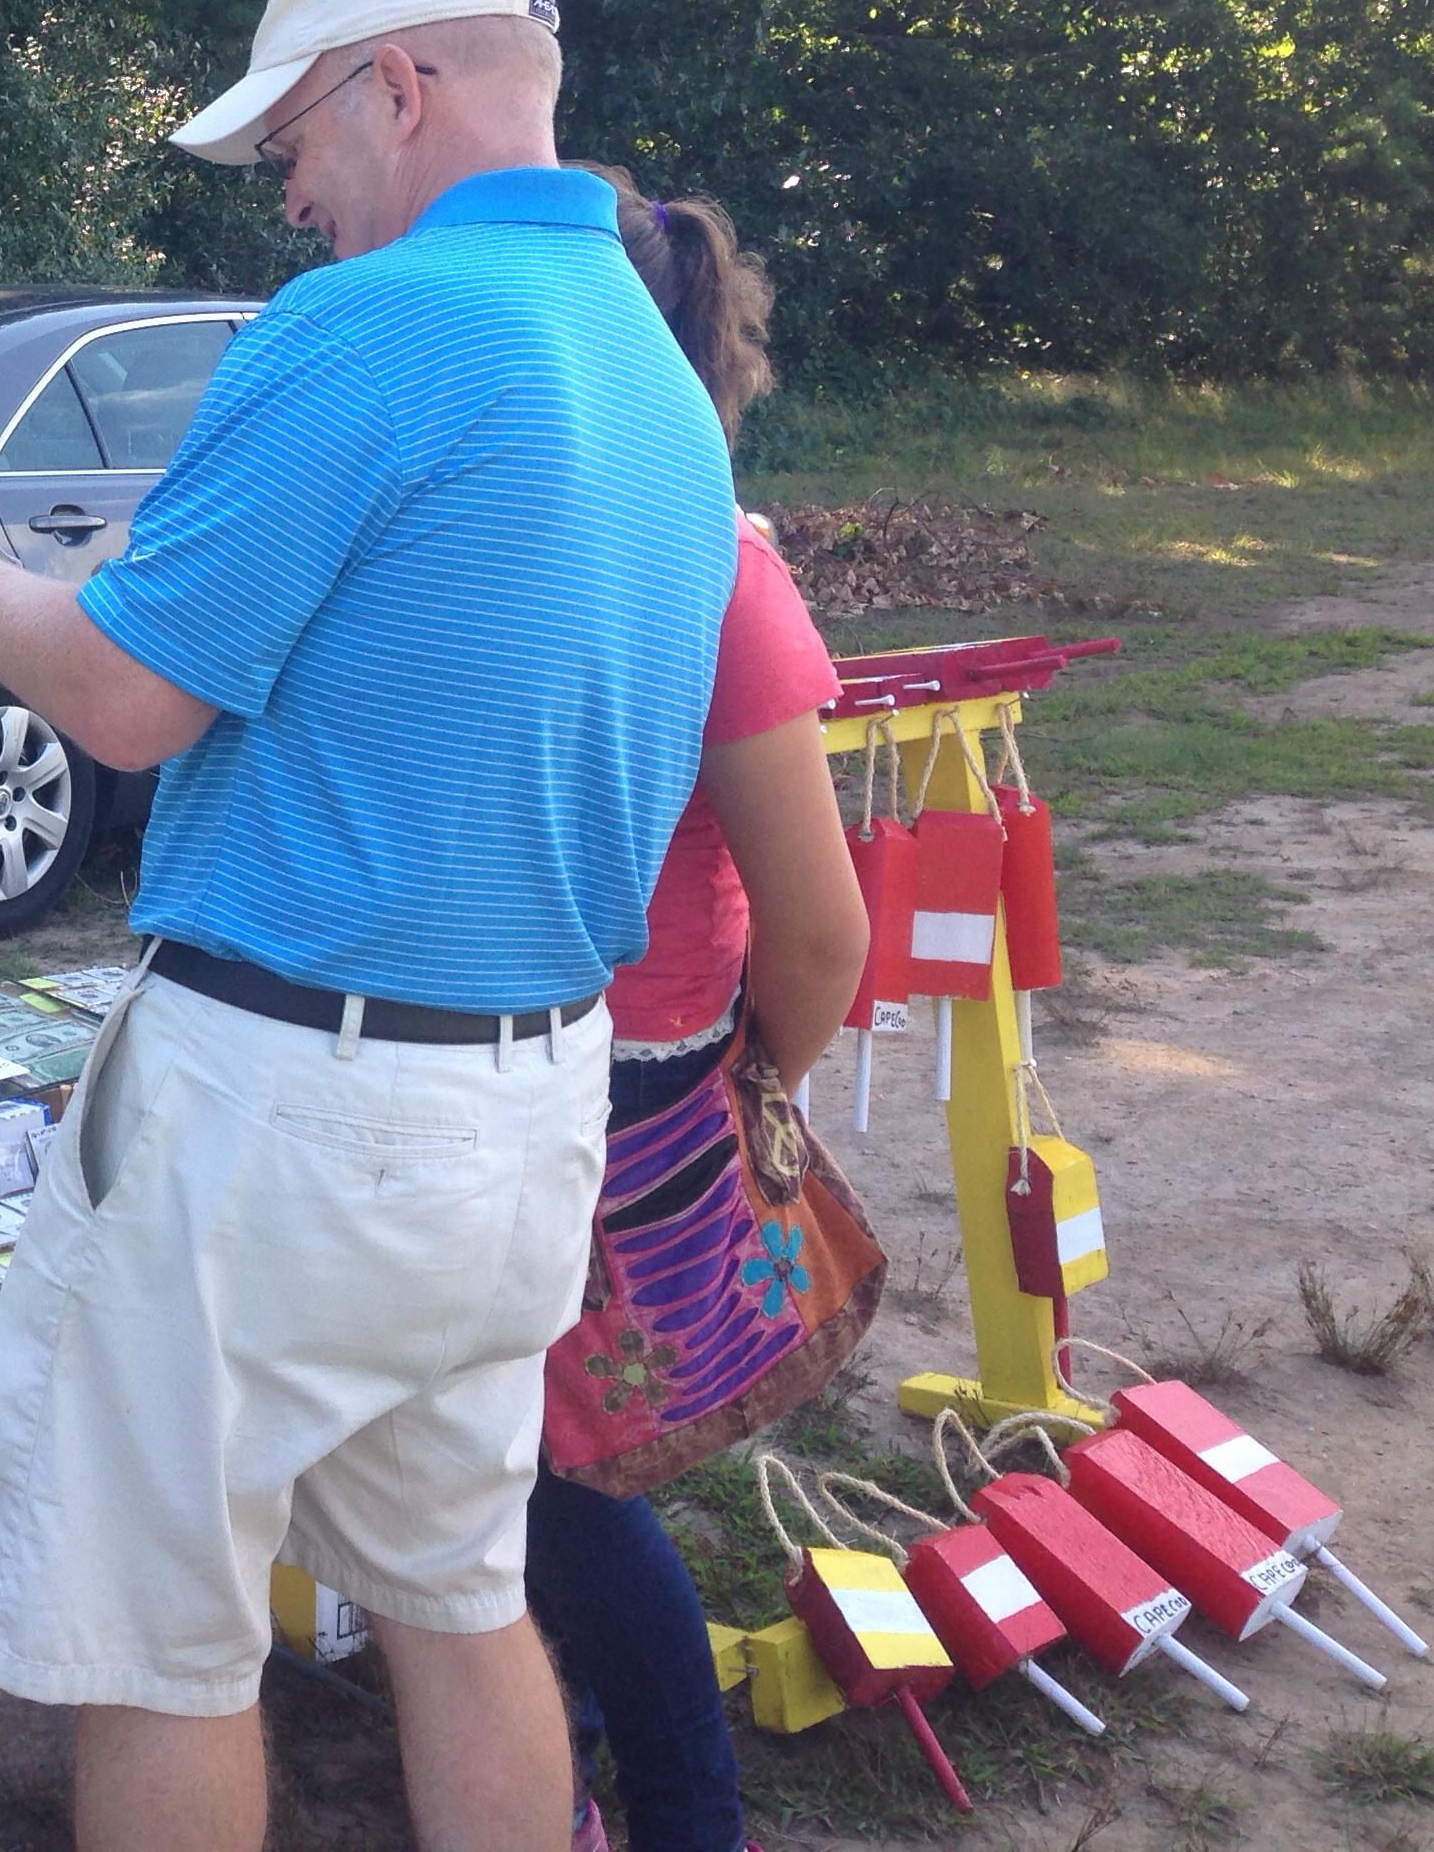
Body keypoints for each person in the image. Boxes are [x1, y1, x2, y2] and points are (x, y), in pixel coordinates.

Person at [0, 0, 741, 1852]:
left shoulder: (374, 326)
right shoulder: (647, 357)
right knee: (465, 1596)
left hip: (293, 1112)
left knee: (162, 1646)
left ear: (398, 89)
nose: (286, 198)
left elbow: (122, 700)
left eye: (291, 141)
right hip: (527, 1104)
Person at [526, 175, 872, 1852]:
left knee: (554, 1486)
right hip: (527, 1064)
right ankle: (568, 1760)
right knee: (509, 1477)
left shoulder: (714, 573)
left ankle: (679, 1818)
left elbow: (822, 932)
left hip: (627, 1079)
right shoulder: (545, 544)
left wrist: (757, 1090)